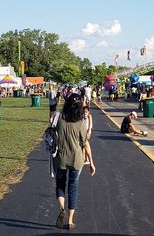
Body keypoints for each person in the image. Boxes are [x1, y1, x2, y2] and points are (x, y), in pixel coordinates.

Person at [53, 94, 96, 230]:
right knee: (73, 187)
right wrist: (91, 162)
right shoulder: (81, 122)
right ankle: (70, 221)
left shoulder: (59, 118)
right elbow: (85, 144)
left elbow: (52, 133)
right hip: (76, 159)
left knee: (60, 184)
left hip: (60, 157)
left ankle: (61, 208)